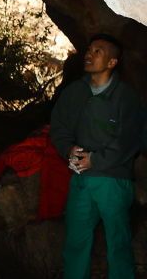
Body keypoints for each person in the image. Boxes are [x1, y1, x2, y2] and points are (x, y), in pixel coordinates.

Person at [50, 34, 145, 279]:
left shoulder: (126, 96)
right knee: (75, 243)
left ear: (112, 62)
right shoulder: (75, 92)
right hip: (81, 180)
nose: (89, 54)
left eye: (98, 51)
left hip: (113, 180)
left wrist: (96, 160)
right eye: (89, 50)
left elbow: (130, 139)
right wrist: (68, 149)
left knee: (118, 245)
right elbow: (59, 127)